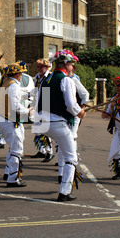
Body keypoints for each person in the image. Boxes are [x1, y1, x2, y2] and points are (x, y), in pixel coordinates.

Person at [34, 49, 86, 201]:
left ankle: (61, 175)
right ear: (65, 64)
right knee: (71, 158)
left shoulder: (46, 80)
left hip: (45, 124)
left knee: (63, 150)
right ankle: (64, 191)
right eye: (71, 64)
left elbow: (41, 102)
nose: (72, 67)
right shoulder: (66, 80)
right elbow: (71, 104)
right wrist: (80, 112)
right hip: (58, 123)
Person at [0, 63, 33, 187]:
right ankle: (12, 179)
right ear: (17, 74)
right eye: (21, 73)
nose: (22, 75)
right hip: (9, 120)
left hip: (3, 119)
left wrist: (29, 95)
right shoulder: (13, 86)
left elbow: (13, 97)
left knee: (13, 147)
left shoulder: (5, 82)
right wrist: (27, 111)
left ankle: (8, 172)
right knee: (17, 150)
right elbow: (15, 105)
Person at [30, 58, 54, 162]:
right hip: (38, 105)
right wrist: (26, 94)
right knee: (37, 130)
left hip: (47, 105)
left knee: (45, 129)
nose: (38, 69)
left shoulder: (50, 77)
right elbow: (35, 90)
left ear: (47, 67)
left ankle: (50, 152)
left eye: (41, 67)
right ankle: (41, 150)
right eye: (38, 66)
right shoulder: (36, 77)